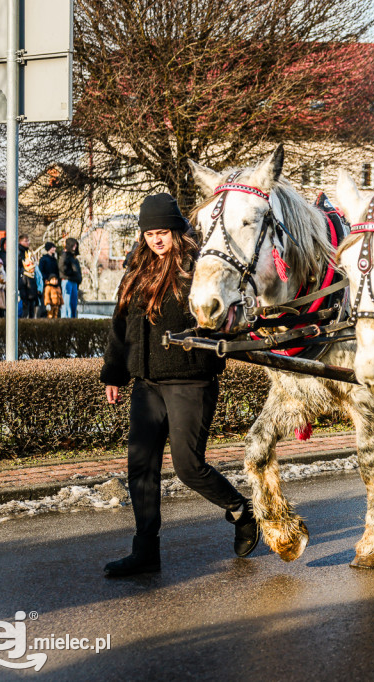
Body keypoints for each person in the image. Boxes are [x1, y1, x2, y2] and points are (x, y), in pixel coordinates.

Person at [100, 192, 259, 577]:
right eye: (150, 233)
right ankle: (145, 551)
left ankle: (242, 510)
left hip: (190, 379)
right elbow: (121, 325)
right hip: (147, 383)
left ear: (177, 230)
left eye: (163, 232)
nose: (156, 239)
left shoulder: (198, 266)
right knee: (141, 466)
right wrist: (114, 373)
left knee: (188, 467)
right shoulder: (137, 268)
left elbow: (224, 313)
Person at [59, 237, 83, 318]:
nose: (75, 247)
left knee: (73, 303)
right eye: (74, 245)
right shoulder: (65, 256)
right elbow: (62, 268)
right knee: (67, 303)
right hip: (68, 281)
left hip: (73, 281)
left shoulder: (73, 257)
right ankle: (66, 319)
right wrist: (71, 274)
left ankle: (72, 319)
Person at [18, 236, 39, 318]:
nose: (28, 242)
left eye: (28, 240)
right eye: (26, 241)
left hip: (32, 297)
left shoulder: (28, 252)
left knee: (31, 313)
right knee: (24, 312)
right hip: (26, 297)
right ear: (21, 242)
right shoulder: (19, 252)